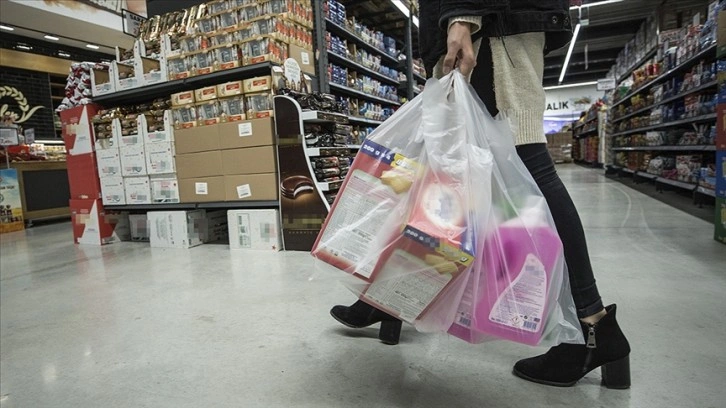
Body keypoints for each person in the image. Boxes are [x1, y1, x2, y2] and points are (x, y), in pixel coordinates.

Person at [329, 0, 631, 389]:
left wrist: (463, 18)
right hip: (479, 25)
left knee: (526, 167)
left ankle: (593, 326)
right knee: (438, 174)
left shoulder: (469, 24)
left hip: (489, 29)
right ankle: (392, 296)